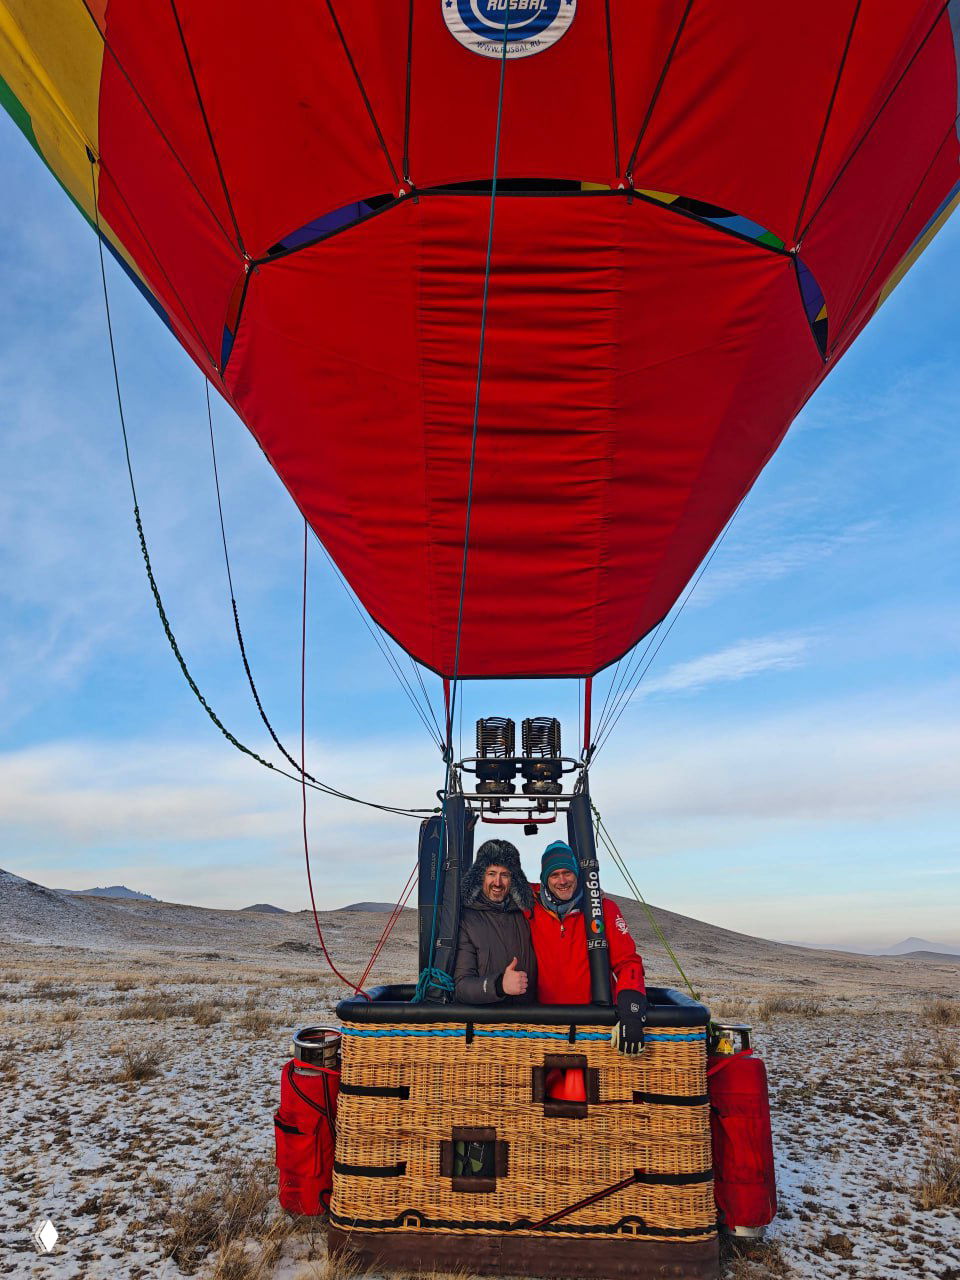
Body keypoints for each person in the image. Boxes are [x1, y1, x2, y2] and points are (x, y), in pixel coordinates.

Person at [530, 839, 648, 1054]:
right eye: (554, 875)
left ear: (578, 874)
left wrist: (631, 1011)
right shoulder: (530, 906)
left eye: (568, 873)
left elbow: (628, 962)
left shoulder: (602, 909)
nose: (562, 880)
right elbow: (497, 887)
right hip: (545, 1024)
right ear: (545, 880)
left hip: (596, 1024)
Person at [453, 839, 538, 1005]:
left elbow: (559, 888)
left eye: (504, 875)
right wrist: (498, 985)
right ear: (480, 876)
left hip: (530, 1023)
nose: (497, 883)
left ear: (514, 879)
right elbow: (461, 987)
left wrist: (588, 892)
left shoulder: (527, 913)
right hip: (488, 1025)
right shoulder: (466, 920)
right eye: (491, 873)